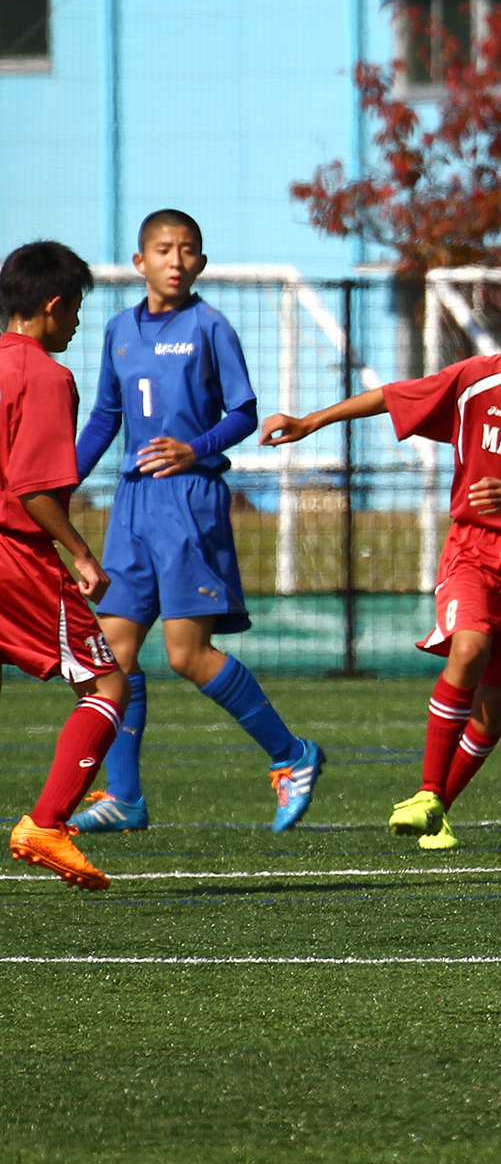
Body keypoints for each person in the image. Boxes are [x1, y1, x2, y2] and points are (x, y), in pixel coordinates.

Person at [260, 263, 501, 851]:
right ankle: (427, 791)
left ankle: (437, 808)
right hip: (477, 547)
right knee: (468, 648)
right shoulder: (478, 381)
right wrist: (311, 420)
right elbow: (396, 395)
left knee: (492, 714)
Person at [68, 209, 322, 836]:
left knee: (187, 655)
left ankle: (292, 754)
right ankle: (124, 797)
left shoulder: (211, 326)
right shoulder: (119, 329)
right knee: (112, 656)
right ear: (140, 262)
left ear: (201, 262)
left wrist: (195, 448)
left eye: (187, 250)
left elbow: (244, 412)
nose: (175, 260)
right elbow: (104, 419)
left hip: (189, 501)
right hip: (132, 504)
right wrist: (58, 484)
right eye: (163, 249)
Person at [0, 242, 130, 890]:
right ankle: (46, 824)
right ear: (53, 305)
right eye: (76, 310)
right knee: (106, 687)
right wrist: (80, 553)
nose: (77, 324)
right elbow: (32, 489)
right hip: (15, 556)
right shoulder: (46, 376)